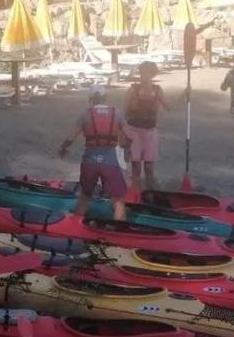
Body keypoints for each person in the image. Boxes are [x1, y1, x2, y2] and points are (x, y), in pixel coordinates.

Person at [58, 85, 129, 221]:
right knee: (118, 201)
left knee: (85, 196)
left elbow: (71, 138)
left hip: (90, 160)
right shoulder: (117, 113)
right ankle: (120, 228)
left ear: (91, 98)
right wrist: (127, 151)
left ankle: (74, 225)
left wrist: (63, 149)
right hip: (110, 161)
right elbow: (128, 137)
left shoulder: (85, 114)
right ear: (105, 97)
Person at [124, 62, 170, 193]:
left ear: (152, 74)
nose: (144, 76)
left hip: (150, 132)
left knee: (149, 167)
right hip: (133, 131)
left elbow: (169, 107)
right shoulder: (132, 90)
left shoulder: (157, 90)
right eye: (142, 73)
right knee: (136, 166)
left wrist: (184, 95)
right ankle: (135, 193)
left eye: (147, 73)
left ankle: (150, 193)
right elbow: (124, 111)